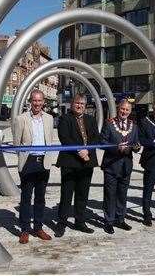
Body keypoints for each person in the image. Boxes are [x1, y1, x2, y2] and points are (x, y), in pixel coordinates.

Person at [13, 89, 56, 244]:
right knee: (26, 198)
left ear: (44, 102)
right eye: (34, 100)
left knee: (40, 197)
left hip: (43, 162)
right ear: (30, 102)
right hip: (28, 162)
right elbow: (16, 144)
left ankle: (38, 227)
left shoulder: (50, 119)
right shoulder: (21, 119)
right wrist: (24, 158)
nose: (37, 103)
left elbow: (49, 139)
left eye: (40, 100)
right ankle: (24, 229)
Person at [56, 94, 101, 237]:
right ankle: (61, 224)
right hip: (70, 162)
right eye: (77, 103)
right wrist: (79, 151)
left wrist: (87, 150)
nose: (79, 105)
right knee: (66, 195)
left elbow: (95, 138)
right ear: (72, 103)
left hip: (87, 162)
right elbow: (65, 138)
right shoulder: (64, 119)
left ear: (85, 105)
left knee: (83, 194)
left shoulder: (91, 119)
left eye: (82, 103)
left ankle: (80, 222)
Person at [100, 99, 140, 234]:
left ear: (130, 111)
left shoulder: (134, 126)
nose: (124, 112)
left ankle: (120, 219)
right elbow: (102, 142)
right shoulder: (109, 123)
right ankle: (108, 221)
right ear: (118, 109)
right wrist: (116, 148)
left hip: (126, 166)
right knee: (110, 195)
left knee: (122, 194)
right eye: (122, 109)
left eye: (127, 110)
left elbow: (136, 142)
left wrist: (136, 147)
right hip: (111, 165)